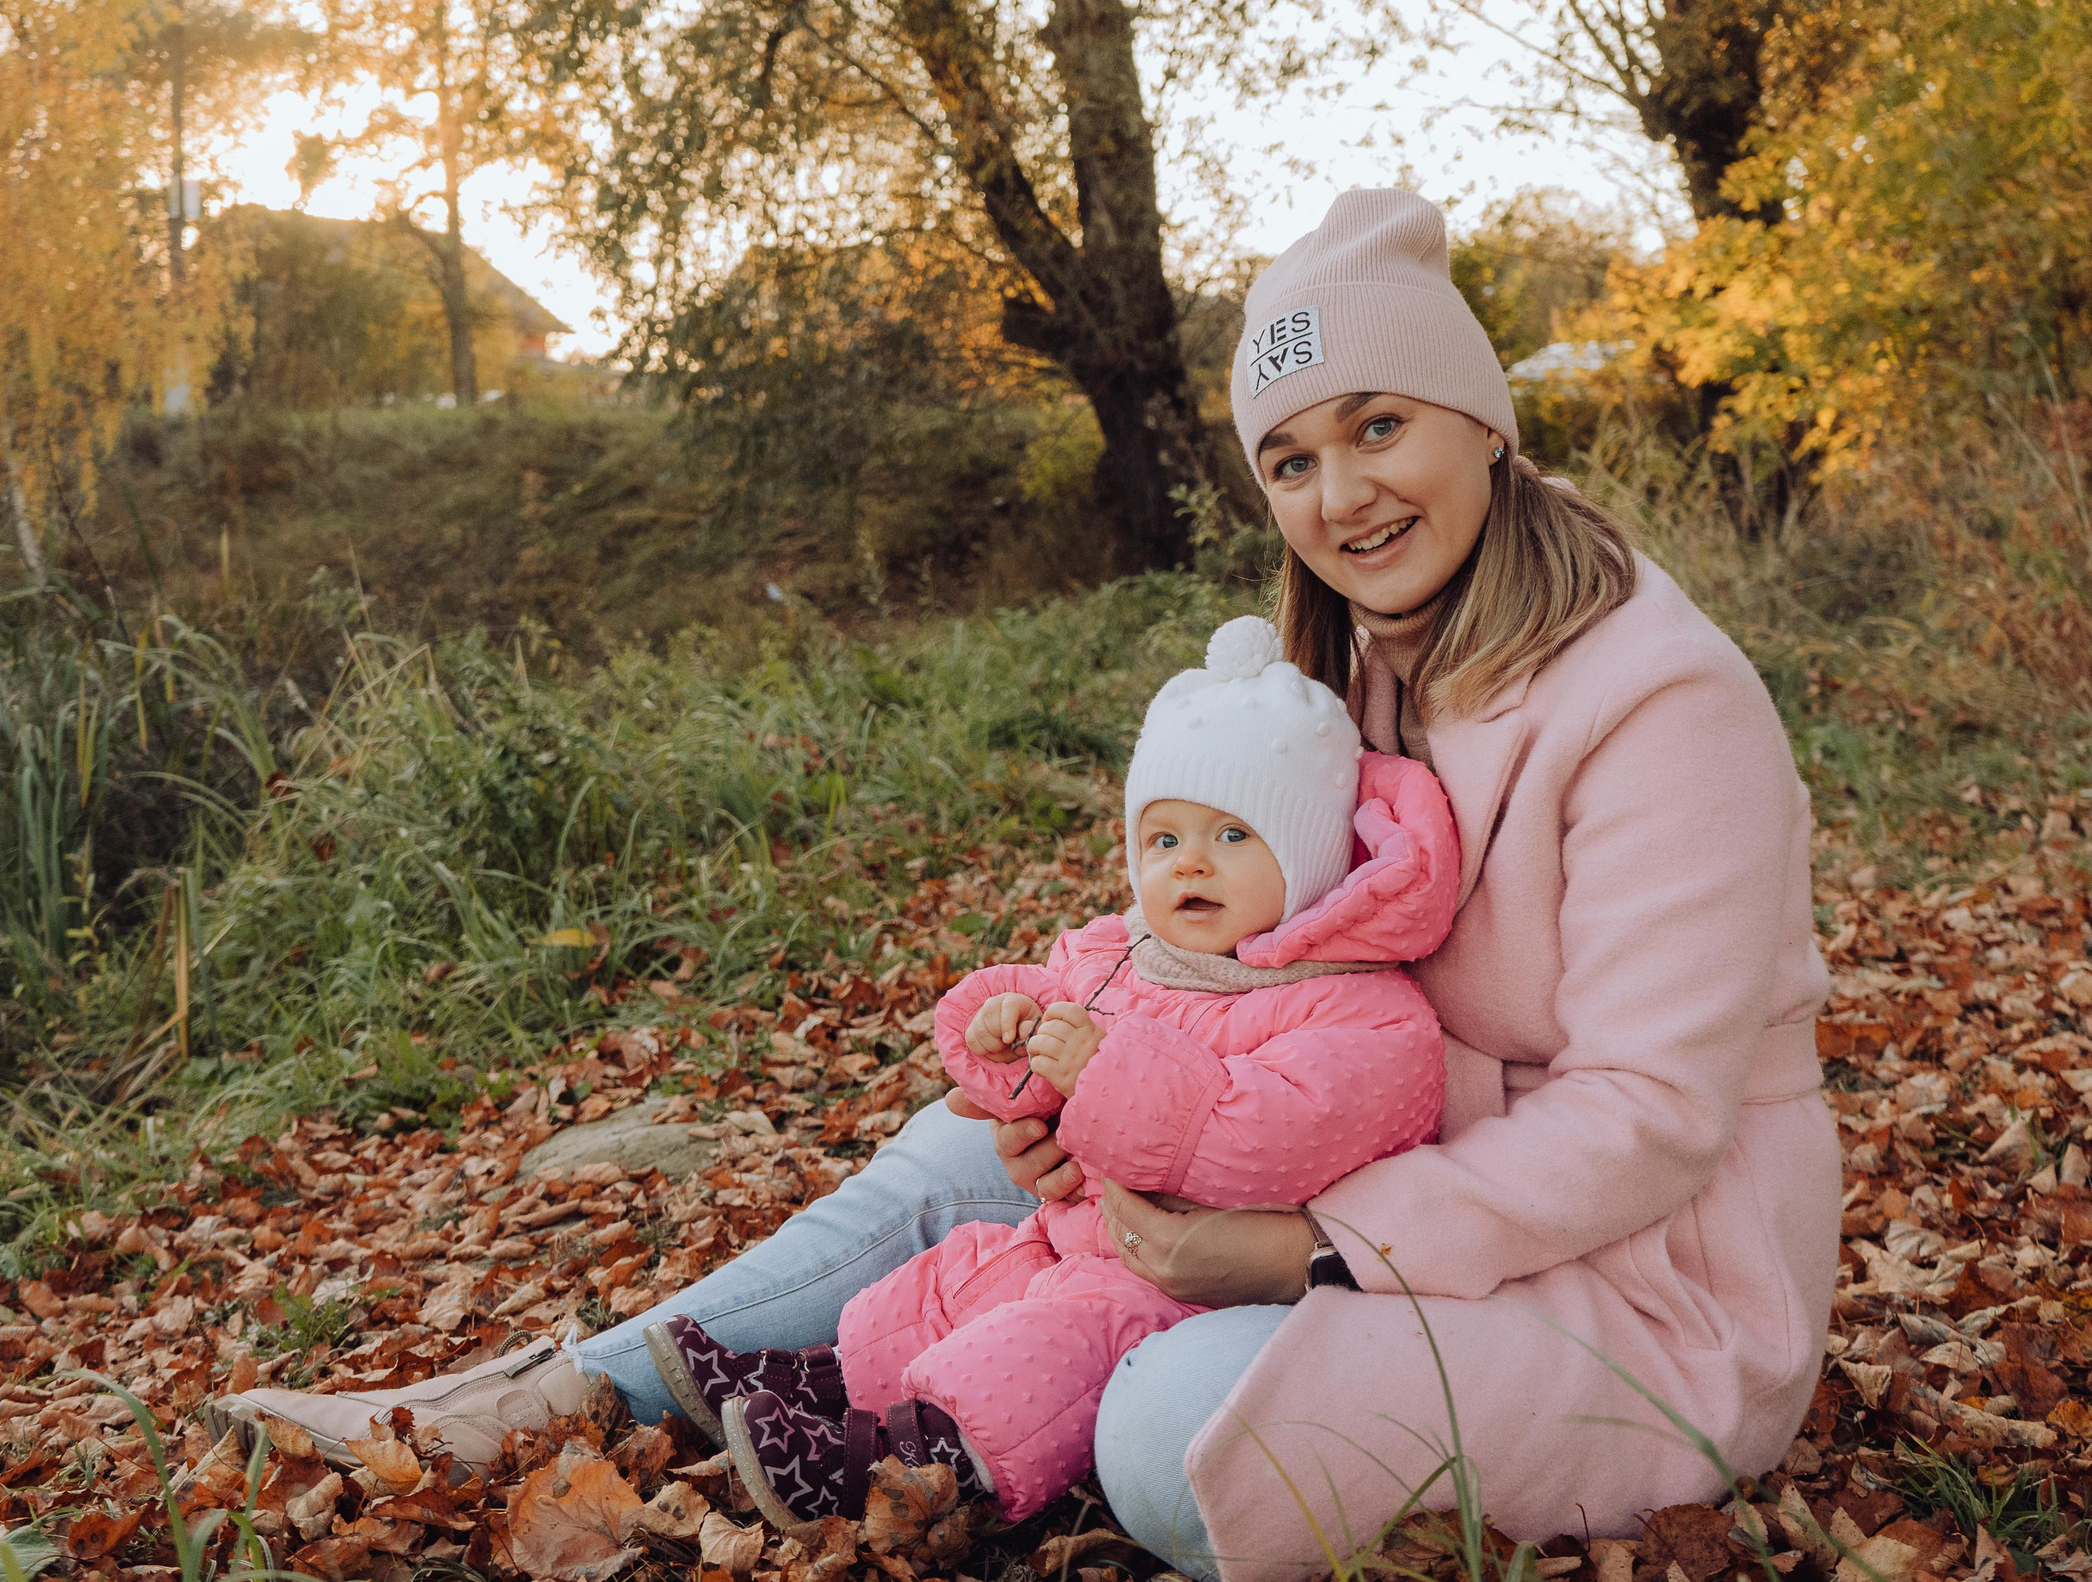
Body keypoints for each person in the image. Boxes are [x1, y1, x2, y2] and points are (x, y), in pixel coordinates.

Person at [212, 187, 1839, 1582]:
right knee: (950, 1158)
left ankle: (952, 1400)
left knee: (1162, 1438)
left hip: (1623, 1283)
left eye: (1381, 426)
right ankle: (576, 1392)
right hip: (1331, 1153)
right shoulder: (1362, 668)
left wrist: (1299, 1244)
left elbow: (1649, 1115)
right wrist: (1089, 1074)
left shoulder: (1658, 700)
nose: (1341, 494)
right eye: (1289, 458)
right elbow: (1244, 949)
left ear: (1485, 421)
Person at [654, 617, 1455, 1528]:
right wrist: (1007, 1044)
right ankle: (836, 1387)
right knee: (959, 1278)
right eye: (1164, 839)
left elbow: (1270, 1139)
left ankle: (908, 1474)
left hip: (1181, 1279)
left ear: (1310, 858)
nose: (1190, 860)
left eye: (1233, 834)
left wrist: (1105, 1069)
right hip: (1073, 1232)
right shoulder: (1135, 953)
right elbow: (1045, 1071)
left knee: (1045, 1345)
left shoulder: (1359, 1008)